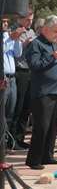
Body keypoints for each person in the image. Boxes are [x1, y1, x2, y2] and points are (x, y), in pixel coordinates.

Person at [25, 15, 57, 169]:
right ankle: (34, 159)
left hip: (56, 90)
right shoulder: (36, 44)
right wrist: (54, 57)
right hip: (43, 92)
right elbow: (35, 65)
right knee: (41, 127)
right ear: (45, 29)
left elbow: (54, 64)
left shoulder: (53, 44)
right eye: (56, 31)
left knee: (53, 126)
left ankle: (47, 156)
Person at [12, 9, 36, 149]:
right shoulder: (14, 30)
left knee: (27, 107)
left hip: (30, 71)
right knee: (18, 106)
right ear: (20, 18)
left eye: (31, 19)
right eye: (27, 19)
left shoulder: (31, 32)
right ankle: (12, 139)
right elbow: (14, 52)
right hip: (19, 70)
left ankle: (20, 138)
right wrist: (25, 43)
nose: (30, 22)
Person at [2, 18, 23, 150]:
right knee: (1, 113)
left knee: (10, 112)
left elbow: (18, 53)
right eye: (3, 21)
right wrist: (10, 38)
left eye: (6, 21)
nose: (5, 24)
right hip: (2, 79)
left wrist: (16, 39)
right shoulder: (6, 38)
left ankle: (6, 142)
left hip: (12, 79)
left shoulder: (8, 36)